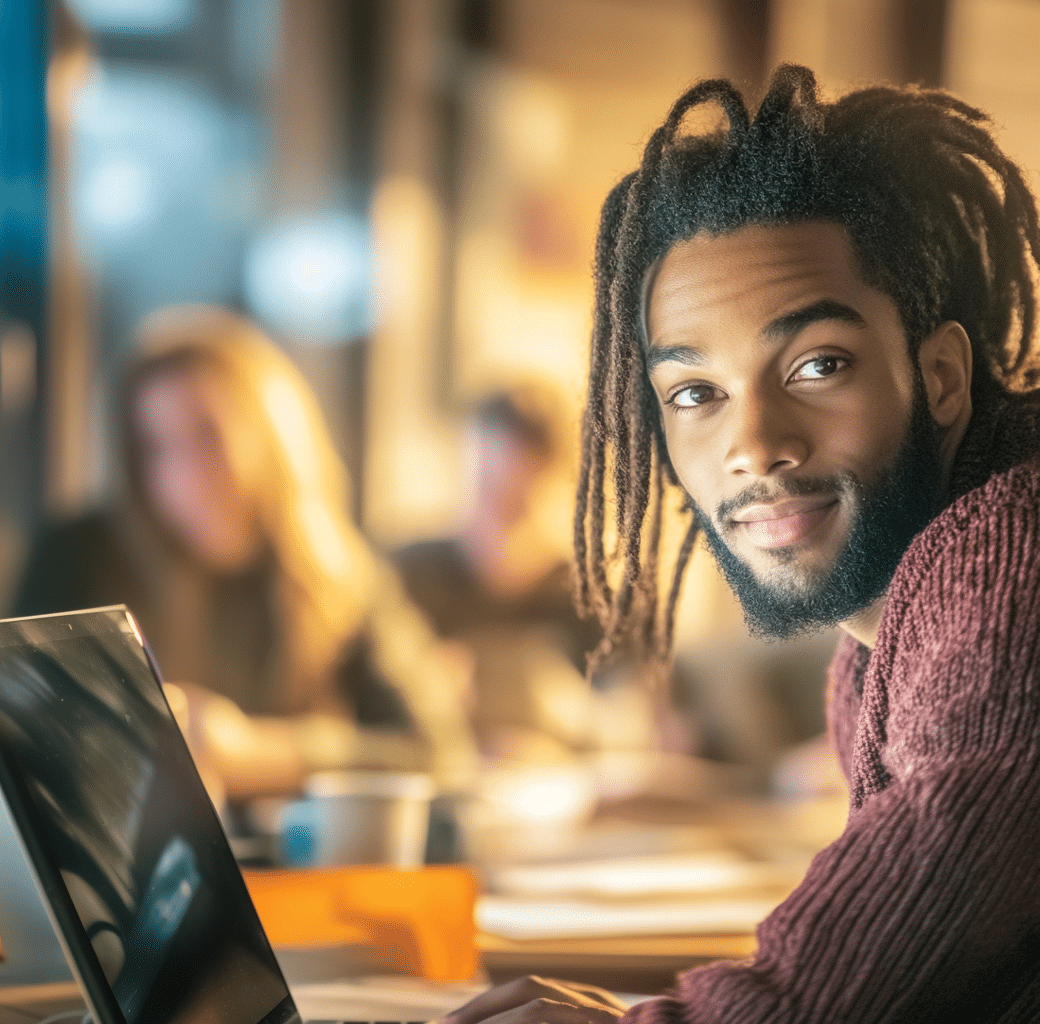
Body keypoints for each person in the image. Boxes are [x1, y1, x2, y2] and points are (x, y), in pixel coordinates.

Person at [440, 64, 1040, 1023]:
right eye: (695, 393)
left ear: (940, 377)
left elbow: (930, 873)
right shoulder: (872, 647)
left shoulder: (1013, 549)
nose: (754, 445)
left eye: (816, 365)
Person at [12, 307, 476, 801]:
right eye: (155, 448)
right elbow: (21, 738)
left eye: (208, 434)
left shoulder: (339, 574)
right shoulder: (78, 555)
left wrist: (270, 754)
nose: (185, 476)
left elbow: (443, 751)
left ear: (273, 435)